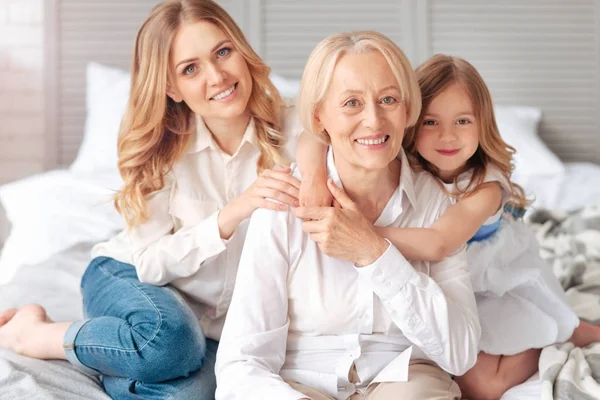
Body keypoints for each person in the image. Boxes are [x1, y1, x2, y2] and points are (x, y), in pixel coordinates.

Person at [0, 1, 306, 398]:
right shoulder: (161, 151)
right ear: (170, 87)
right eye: (190, 69)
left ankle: (115, 362)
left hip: (215, 324)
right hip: (129, 273)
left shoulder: (299, 130)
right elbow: (150, 263)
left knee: (187, 394)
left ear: (241, 50)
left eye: (223, 52)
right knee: (171, 342)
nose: (217, 76)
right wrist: (232, 214)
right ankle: (37, 335)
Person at [299, 54, 600, 400]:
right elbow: (312, 135)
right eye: (430, 122)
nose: (448, 136)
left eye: (462, 121)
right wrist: (314, 175)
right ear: (408, 120)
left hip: (492, 279)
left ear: (482, 123)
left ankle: (562, 335)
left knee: (485, 385)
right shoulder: (399, 159)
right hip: (436, 283)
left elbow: (439, 243)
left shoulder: (485, 184)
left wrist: (358, 232)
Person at [215, 31, 481, 400]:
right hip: (300, 381)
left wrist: (375, 253)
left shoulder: (437, 204)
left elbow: (461, 353)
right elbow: (241, 364)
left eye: (388, 99)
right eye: (352, 103)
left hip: (405, 377)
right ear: (319, 116)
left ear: (408, 110)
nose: (374, 121)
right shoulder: (284, 205)